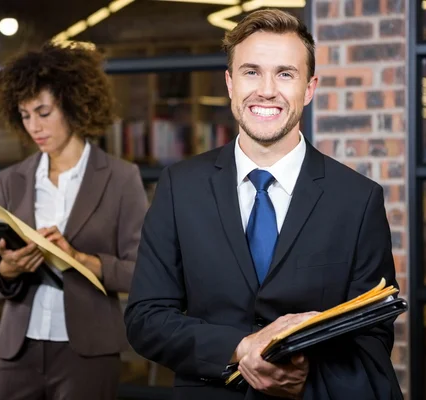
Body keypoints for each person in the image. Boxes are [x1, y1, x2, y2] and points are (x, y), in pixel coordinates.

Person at [124, 9, 403, 400]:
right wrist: (241, 348)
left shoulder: (358, 200)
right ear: (230, 83)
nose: (267, 90)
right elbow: (146, 319)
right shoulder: (179, 187)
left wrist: (306, 377)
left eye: (285, 74)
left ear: (309, 88)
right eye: (251, 72)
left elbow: (374, 337)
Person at [0, 42, 149, 400]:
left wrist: (81, 260)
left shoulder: (121, 178)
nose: (34, 127)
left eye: (43, 112)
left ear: (73, 105)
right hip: (17, 350)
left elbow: (143, 272)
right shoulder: (12, 180)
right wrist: (8, 271)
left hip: (87, 353)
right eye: (25, 115)